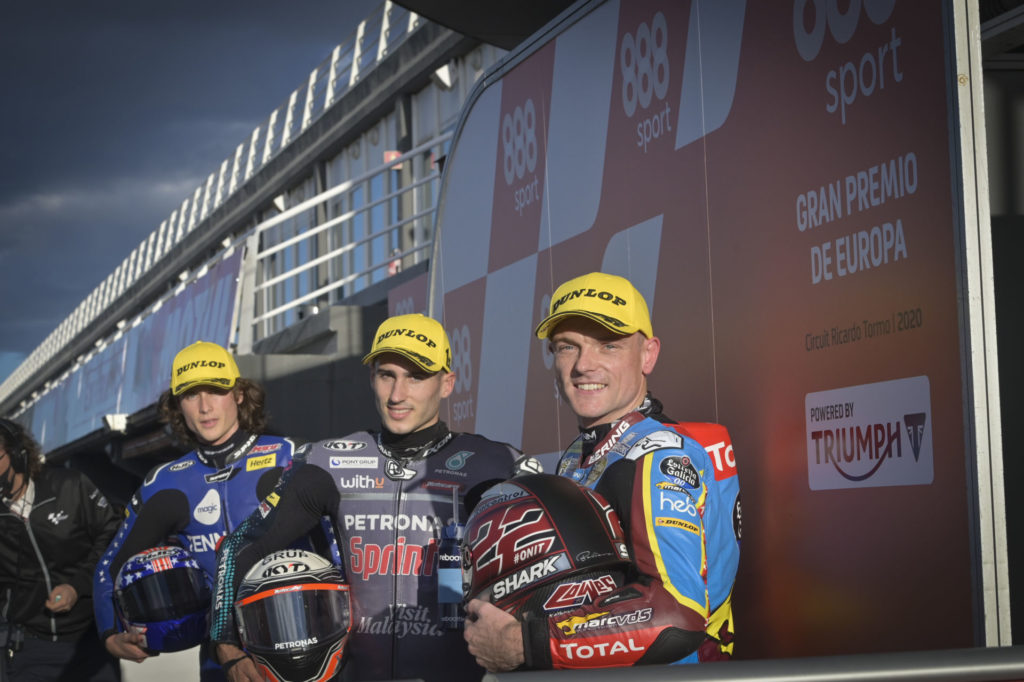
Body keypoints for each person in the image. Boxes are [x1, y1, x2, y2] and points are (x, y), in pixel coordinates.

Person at [210, 313, 532, 682]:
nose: (397, 394)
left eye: (416, 377)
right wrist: (228, 648)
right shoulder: (329, 461)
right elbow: (240, 547)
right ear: (372, 378)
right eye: (386, 375)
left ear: (447, 384)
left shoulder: (492, 463)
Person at [464, 271, 741, 670]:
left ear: (648, 354)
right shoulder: (582, 452)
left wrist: (525, 643)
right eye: (566, 347)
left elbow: (676, 617)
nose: (583, 365)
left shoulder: (655, 455)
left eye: (608, 345)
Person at [93, 340, 301, 681]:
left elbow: (336, 551)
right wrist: (109, 634)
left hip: (299, 642)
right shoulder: (164, 483)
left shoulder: (288, 456)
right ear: (178, 407)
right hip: (218, 659)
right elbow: (109, 569)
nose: (205, 407)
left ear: (238, 395)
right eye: (191, 395)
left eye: (215, 391)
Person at [0, 417, 121, 681]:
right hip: (28, 649)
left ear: (18, 453)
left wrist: (77, 586)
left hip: (90, 641)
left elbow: (112, 535)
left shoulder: (70, 485)